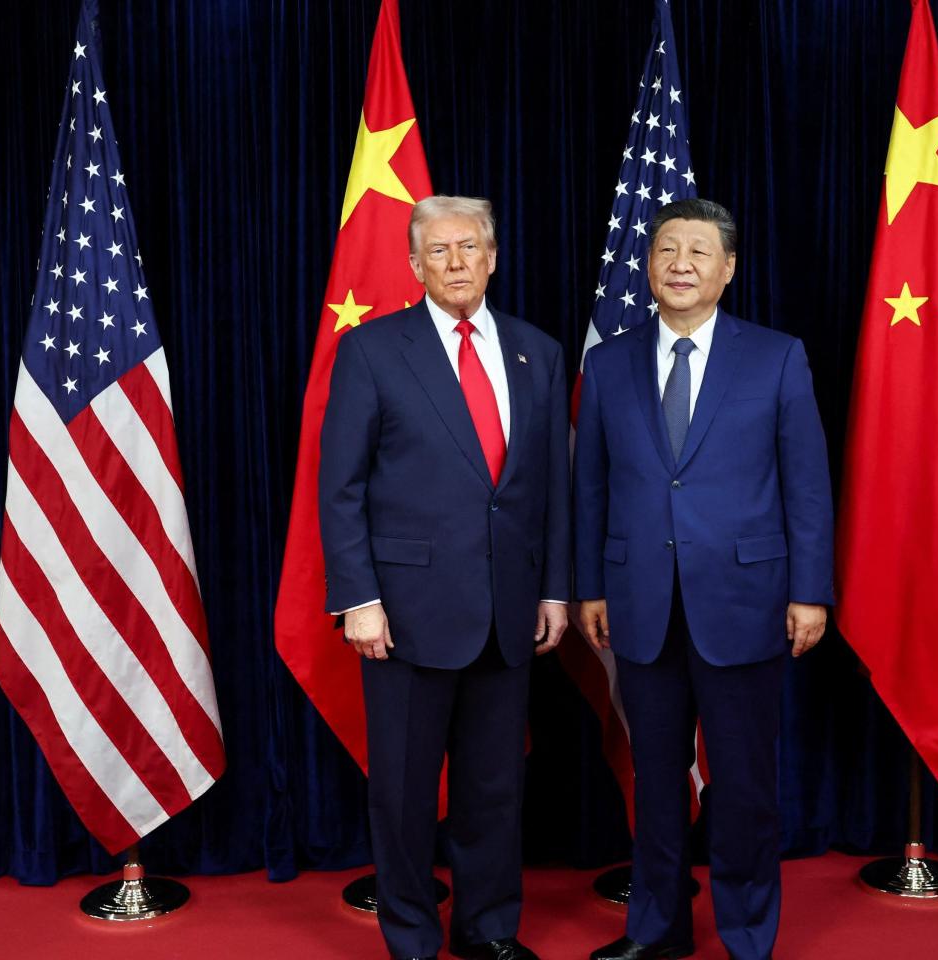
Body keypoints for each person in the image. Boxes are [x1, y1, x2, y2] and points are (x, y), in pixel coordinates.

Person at [573, 198, 833, 960]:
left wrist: (809, 591)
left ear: (727, 270)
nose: (679, 263)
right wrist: (591, 585)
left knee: (746, 787)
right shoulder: (608, 361)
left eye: (697, 251)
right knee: (655, 784)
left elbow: (806, 486)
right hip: (639, 605)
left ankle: (750, 934)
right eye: (666, 250)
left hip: (747, 604)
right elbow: (590, 487)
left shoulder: (776, 356)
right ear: (647, 267)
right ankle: (657, 929)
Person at [319, 195, 571, 960]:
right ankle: (412, 937)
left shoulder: (539, 352)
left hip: (508, 611)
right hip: (404, 613)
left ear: (493, 257)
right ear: (414, 264)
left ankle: (489, 929)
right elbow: (342, 487)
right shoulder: (372, 350)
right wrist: (359, 600)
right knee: (401, 791)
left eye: (470, 248)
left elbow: (550, 487)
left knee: (495, 788)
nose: (457, 263)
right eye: (439, 251)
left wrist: (554, 588)